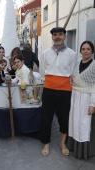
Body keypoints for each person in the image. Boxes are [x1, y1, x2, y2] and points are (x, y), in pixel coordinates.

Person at [39, 27, 77, 156]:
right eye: (55, 35)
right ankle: (46, 143)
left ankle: (63, 143)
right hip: (48, 90)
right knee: (46, 118)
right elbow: (42, 72)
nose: (57, 37)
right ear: (52, 37)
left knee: (64, 118)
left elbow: (73, 73)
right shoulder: (45, 53)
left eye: (60, 34)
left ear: (65, 36)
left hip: (65, 91)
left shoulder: (72, 54)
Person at [68, 41, 95, 159]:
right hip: (75, 96)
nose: (85, 51)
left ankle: (85, 151)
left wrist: (92, 104)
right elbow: (72, 78)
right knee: (74, 122)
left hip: (87, 98)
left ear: (92, 51)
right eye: (83, 49)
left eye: (88, 49)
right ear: (80, 51)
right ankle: (73, 147)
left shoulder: (94, 65)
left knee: (84, 124)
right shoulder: (77, 63)